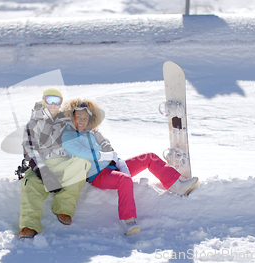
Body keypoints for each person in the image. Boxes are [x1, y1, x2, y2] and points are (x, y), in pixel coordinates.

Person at [60, 98, 199, 235]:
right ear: (71, 117)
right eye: (79, 117)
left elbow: (112, 153)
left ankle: (176, 185)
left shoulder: (93, 135)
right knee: (124, 179)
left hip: (114, 168)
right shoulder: (68, 136)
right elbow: (82, 153)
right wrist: (104, 156)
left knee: (149, 157)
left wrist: (120, 162)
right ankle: (128, 220)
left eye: (85, 118)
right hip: (98, 175)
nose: (82, 121)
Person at [18, 88, 91, 239]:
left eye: (57, 101)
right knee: (31, 184)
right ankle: (29, 224)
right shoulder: (33, 123)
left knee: (82, 163)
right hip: (40, 165)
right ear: (43, 100)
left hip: (62, 164)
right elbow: (30, 149)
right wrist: (42, 171)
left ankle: (63, 207)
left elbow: (79, 138)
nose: (53, 104)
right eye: (49, 100)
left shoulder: (66, 121)